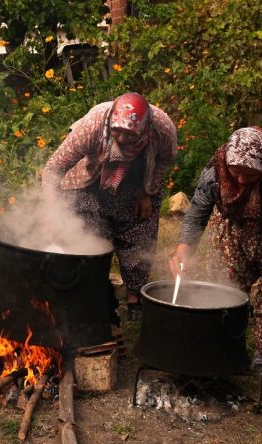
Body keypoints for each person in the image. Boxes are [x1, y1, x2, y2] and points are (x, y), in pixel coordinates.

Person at [169, 127, 262, 377]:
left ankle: (261, 354)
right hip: (237, 226)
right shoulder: (215, 171)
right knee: (226, 284)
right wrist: (184, 249)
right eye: (235, 172)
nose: (240, 180)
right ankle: (224, 340)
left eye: (250, 175)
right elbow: (197, 213)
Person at [42, 92, 177, 321]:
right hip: (93, 179)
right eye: (117, 131)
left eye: (130, 133)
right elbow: (53, 168)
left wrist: (146, 192)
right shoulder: (92, 126)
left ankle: (135, 296)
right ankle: (98, 295)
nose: (122, 139)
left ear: (145, 129)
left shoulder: (162, 128)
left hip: (138, 181)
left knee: (139, 235)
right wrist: (52, 209)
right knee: (91, 239)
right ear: (110, 123)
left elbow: (165, 158)